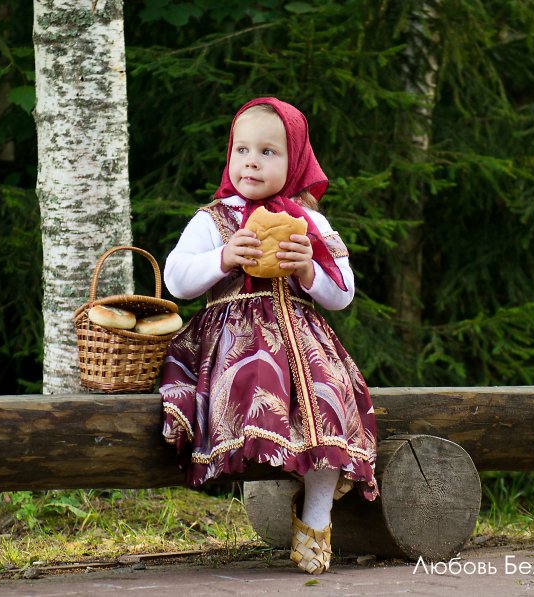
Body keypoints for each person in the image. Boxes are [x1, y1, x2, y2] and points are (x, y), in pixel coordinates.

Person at [159, 97, 379, 575]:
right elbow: (175, 279)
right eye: (242, 150)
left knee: (329, 398)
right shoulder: (215, 219)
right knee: (257, 377)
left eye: (268, 152)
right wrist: (223, 259)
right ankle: (265, 470)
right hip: (233, 338)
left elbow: (342, 294)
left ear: (296, 159)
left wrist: (307, 269)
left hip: (303, 338)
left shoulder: (310, 222)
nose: (251, 161)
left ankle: (317, 515)